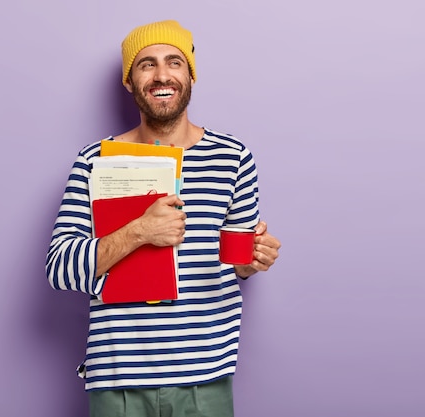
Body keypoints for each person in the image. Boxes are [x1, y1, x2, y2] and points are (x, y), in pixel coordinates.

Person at [45, 20, 281, 417]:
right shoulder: (95, 160)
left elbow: (238, 263)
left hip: (204, 378)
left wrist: (252, 261)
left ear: (190, 74)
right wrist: (140, 230)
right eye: (146, 64)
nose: (161, 75)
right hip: (118, 380)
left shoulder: (234, 158)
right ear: (129, 81)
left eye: (174, 62)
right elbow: (60, 269)